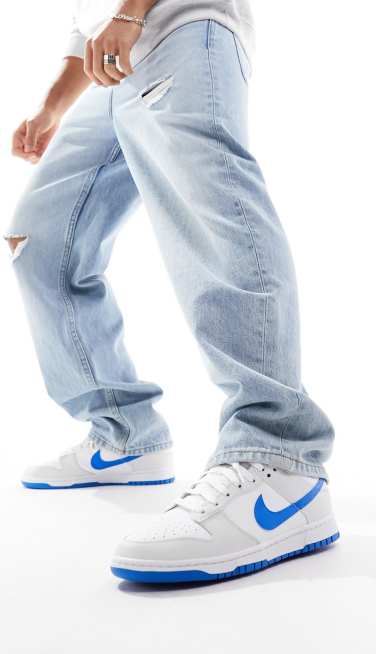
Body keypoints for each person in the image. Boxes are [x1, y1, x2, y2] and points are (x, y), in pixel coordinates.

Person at [6, 0, 338, 583]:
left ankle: (281, 460)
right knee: (41, 241)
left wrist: (131, 14)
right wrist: (52, 106)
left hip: (182, 29)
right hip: (112, 67)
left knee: (214, 217)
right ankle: (125, 434)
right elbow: (86, 22)